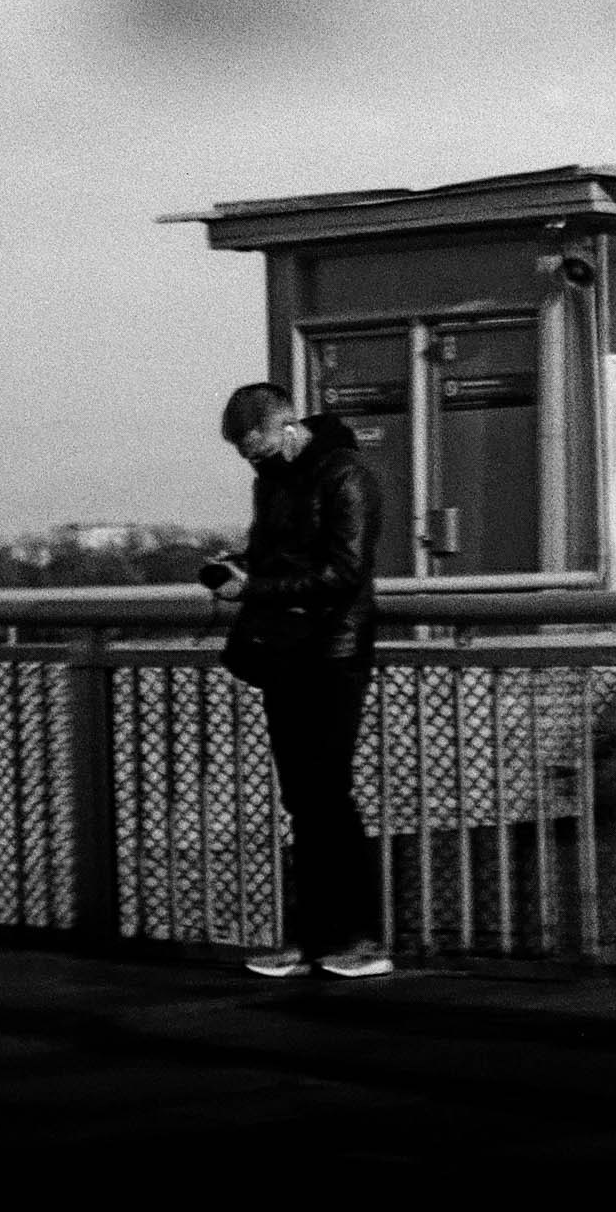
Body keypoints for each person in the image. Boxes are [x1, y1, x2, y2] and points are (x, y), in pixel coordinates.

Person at [205, 378, 391, 980]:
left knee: (326, 795)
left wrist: (251, 588)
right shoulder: (275, 480)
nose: (250, 459)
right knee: (304, 800)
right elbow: (281, 555)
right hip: (288, 650)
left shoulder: (345, 476)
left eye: (254, 446)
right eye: (244, 452)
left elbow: (344, 572)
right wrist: (240, 564)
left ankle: (360, 938)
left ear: (285, 425)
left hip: (335, 652)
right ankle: (314, 940)